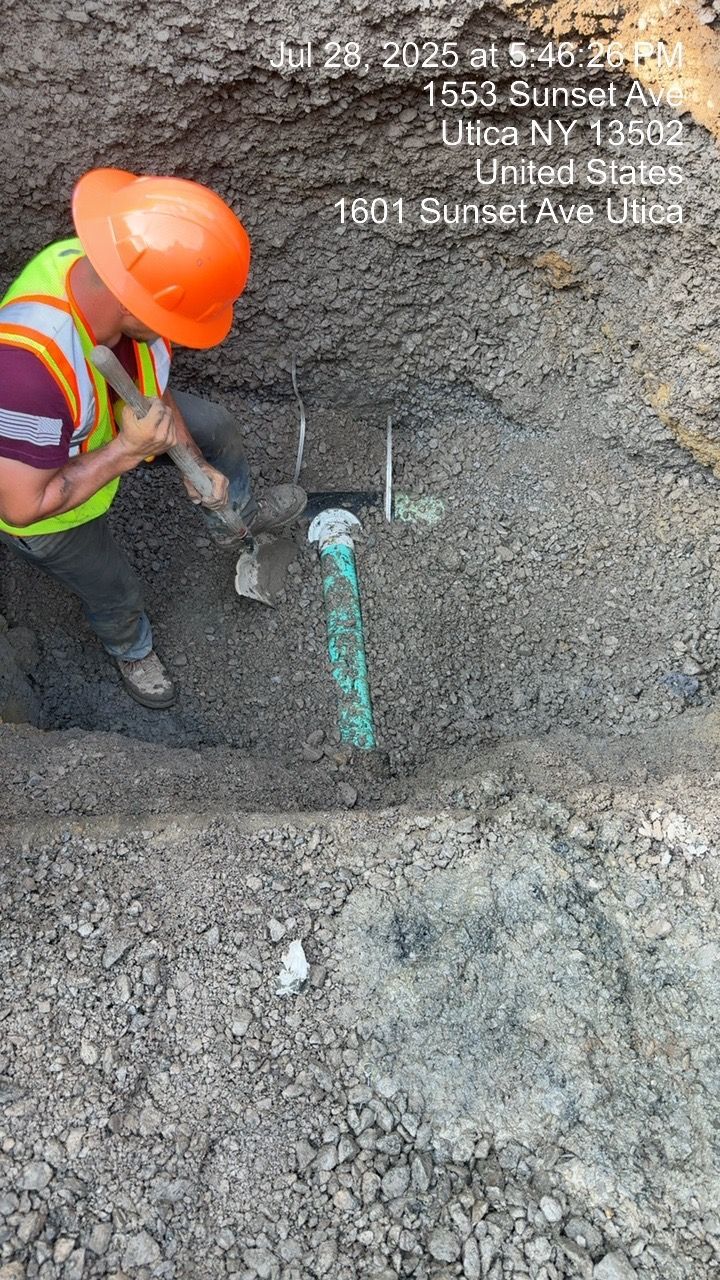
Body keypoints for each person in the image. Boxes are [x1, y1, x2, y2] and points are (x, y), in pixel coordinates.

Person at [0, 169, 306, 709]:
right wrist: (128, 451)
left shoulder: (113, 264)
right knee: (114, 588)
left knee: (216, 430)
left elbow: (151, 381)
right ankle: (131, 648)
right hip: (47, 502)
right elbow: (23, 506)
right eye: (174, 319)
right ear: (139, 305)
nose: (178, 333)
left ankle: (231, 519)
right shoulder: (24, 372)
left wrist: (190, 460)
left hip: (102, 421)